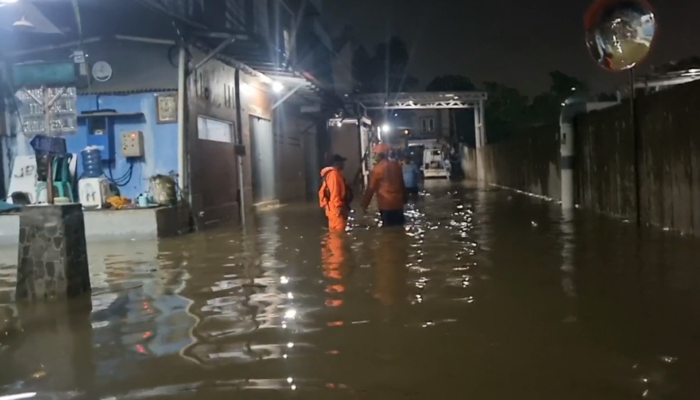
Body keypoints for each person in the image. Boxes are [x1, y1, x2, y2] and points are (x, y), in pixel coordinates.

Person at [361, 143, 407, 227]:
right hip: (398, 204)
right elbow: (402, 183)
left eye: (375, 154)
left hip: (386, 205)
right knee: (399, 228)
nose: (374, 156)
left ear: (379, 155)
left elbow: (371, 188)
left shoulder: (377, 169)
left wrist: (365, 205)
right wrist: (405, 198)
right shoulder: (397, 166)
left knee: (388, 232)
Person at [319, 154, 352, 233]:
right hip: (336, 211)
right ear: (337, 163)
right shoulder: (334, 175)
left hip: (333, 209)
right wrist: (339, 208)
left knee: (335, 234)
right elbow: (335, 192)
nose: (343, 164)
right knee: (339, 235)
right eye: (342, 162)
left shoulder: (331, 174)